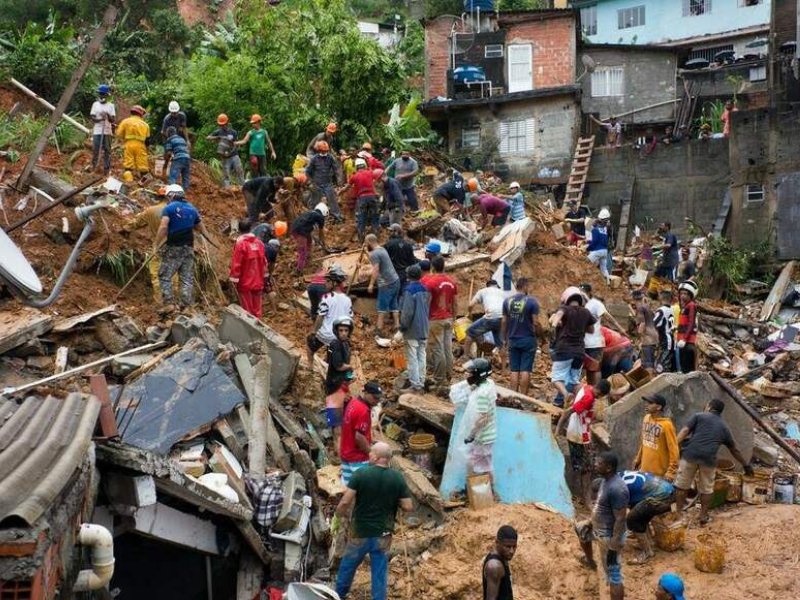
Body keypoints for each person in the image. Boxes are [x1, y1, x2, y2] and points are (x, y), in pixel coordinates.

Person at [334, 441, 412, 600]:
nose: (368, 455)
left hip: (360, 533)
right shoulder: (397, 477)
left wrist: (338, 516)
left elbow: (345, 501)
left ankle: (337, 595)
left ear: (376, 457)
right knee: (379, 572)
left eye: (370, 453)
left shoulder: (361, 474)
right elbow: (408, 506)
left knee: (348, 566)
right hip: (383, 534)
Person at [675, 398, 753, 525]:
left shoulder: (698, 416)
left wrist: (673, 447)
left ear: (709, 407)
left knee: (682, 485)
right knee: (707, 489)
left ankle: (678, 513)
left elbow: (684, 431)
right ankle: (703, 516)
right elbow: (734, 450)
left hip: (690, 455)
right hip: (709, 460)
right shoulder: (724, 427)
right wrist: (746, 465)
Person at [155, 185, 213, 310]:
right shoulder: (192, 208)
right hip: (189, 247)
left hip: (174, 247)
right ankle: (185, 305)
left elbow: (164, 226)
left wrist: (156, 244)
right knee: (186, 277)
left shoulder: (169, 208)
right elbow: (201, 228)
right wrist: (211, 240)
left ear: (171, 195)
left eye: (168, 196)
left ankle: (169, 303)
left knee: (164, 276)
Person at [580, 451, 628, 600]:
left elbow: (620, 519)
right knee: (580, 530)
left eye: (599, 463)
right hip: (599, 529)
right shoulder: (605, 481)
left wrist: (613, 546)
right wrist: (590, 522)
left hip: (609, 536)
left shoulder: (617, 488)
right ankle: (590, 561)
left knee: (613, 574)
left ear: (608, 468)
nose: (595, 464)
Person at [556, 379, 611, 508]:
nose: (599, 398)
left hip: (577, 432)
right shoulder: (589, 398)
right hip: (578, 436)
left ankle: (579, 496)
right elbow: (570, 411)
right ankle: (586, 500)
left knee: (582, 467)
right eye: (600, 396)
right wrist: (559, 428)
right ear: (600, 392)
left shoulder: (587, 387)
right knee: (585, 469)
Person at [549, 287, 597, 408]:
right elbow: (591, 330)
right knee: (574, 381)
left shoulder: (564, 309)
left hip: (564, 350)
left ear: (566, 299)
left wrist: (554, 323)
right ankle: (584, 400)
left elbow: (557, 317)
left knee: (556, 379)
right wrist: (579, 326)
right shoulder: (586, 312)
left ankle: (565, 395)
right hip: (579, 352)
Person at [621, 470, 675, 564]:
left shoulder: (614, 490)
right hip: (666, 489)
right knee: (639, 513)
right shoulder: (618, 476)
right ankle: (648, 542)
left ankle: (647, 552)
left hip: (661, 496)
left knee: (633, 519)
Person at [123, 187, 166, 302]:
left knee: (157, 273)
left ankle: (161, 301)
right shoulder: (178, 210)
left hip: (159, 246)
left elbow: (136, 223)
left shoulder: (151, 210)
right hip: (177, 247)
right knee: (175, 274)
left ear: (158, 197)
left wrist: (125, 228)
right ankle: (177, 301)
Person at [422, 255, 458, 392]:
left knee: (437, 349)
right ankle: (449, 375)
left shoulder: (431, 283)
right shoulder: (452, 282)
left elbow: (427, 302)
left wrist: (424, 318)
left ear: (432, 267)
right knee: (447, 347)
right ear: (444, 266)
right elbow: (455, 303)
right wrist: (453, 318)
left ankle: (439, 379)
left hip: (435, 319)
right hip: (448, 318)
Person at [501, 278, 540, 395]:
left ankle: (513, 396)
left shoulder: (507, 301)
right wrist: (540, 336)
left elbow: (503, 322)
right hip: (528, 339)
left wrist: (504, 338)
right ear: (525, 286)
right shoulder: (532, 302)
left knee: (514, 370)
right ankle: (523, 397)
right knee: (525, 370)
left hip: (512, 339)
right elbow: (536, 323)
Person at [579, 283, 624, 384]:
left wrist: (620, 328)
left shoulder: (596, 304)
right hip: (582, 343)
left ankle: (596, 391)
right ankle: (589, 389)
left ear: (589, 293)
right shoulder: (579, 304)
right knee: (586, 368)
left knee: (595, 368)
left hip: (595, 343)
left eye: (583, 293)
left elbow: (607, 317)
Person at [339, 382, 384, 485]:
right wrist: (371, 452)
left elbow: (353, 429)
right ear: (366, 393)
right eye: (375, 398)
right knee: (364, 488)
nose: (377, 402)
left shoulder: (353, 402)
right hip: (357, 457)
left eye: (378, 399)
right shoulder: (363, 410)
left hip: (346, 452)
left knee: (348, 487)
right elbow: (359, 437)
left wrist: (370, 440)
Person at [461, 358, 498, 481]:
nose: (466, 374)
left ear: (478, 374)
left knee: (477, 466)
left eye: (470, 372)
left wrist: (472, 434)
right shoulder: (489, 384)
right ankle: (486, 489)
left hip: (483, 437)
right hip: (487, 434)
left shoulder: (482, 394)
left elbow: (483, 417)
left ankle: (481, 492)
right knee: (484, 466)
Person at [307, 265, 352, 365]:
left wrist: (314, 331)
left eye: (327, 281)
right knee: (331, 352)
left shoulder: (326, 298)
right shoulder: (347, 299)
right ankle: (328, 362)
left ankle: (310, 367)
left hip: (326, 335)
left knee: (310, 347)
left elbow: (320, 317)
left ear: (334, 283)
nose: (325, 283)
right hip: (338, 336)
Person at [325, 315, 354, 456]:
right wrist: (350, 367)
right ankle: (340, 456)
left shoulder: (345, 344)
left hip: (341, 387)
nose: (343, 333)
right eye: (341, 330)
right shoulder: (335, 344)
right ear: (337, 331)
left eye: (345, 330)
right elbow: (338, 365)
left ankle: (342, 453)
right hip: (334, 388)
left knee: (341, 423)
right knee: (337, 426)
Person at [633, 394, 680, 481]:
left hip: (659, 474)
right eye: (647, 402)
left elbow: (674, 450)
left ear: (658, 407)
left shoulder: (667, 425)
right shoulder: (646, 418)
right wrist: (638, 459)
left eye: (650, 403)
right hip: (644, 469)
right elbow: (644, 441)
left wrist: (671, 472)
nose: (647, 404)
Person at [399, 264, 430, 392]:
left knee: (412, 357)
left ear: (408, 276)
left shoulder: (409, 290)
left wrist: (402, 328)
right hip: (424, 327)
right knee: (422, 355)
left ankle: (415, 385)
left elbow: (407, 313)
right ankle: (421, 381)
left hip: (412, 329)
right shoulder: (425, 289)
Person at [229, 218, 267, 319]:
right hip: (258, 281)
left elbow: (236, 264)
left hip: (245, 283)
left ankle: (250, 331)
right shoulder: (259, 243)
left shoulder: (241, 244)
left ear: (240, 230)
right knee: (257, 310)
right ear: (251, 228)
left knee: (247, 311)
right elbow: (264, 263)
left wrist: (233, 280)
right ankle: (259, 328)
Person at [366, 234, 401, 337]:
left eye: (366, 243)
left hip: (386, 283)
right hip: (395, 280)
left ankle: (379, 329)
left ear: (369, 242)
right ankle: (397, 325)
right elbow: (376, 261)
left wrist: (371, 284)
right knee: (394, 304)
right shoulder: (382, 250)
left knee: (382, 307)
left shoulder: (374, 254)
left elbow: (376, 269)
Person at [465, 279, 507, 360]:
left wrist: (469, 313)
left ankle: (465, 357)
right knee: (501, 344)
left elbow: (470, 305)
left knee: (469, 332)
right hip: (502, 319)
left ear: (487, 286)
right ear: (497, 286)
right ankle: (504, 370)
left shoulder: (483, 291)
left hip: (491, 317)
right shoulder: (502, 293)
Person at [306, 140, 345, 223]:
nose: (325, 153)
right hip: (317, 183)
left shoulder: (330, 158)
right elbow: (308, 171)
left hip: (327, 183)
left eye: (326, 151)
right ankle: (310, 217)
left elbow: (336, 170)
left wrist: (339, 182)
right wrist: (310, 182)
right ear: (319, 150)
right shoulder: (314, 159)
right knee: (314, 201)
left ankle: (337, 216)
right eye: (323, 151)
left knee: (332, 199)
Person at [206, 114, 243, 187]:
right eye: (221, 125)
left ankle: (242, 187)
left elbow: (236, 144)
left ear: (227, 123)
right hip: (224, 157)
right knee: (226, 175)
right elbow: (208, 137)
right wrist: (217, 137)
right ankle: (228, 191)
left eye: (223, 124)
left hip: (234, 155)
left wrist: (231, 152)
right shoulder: (218, 131)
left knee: (239, 171)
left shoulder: (233, 132)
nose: (222, 126)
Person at [345, 159, 379, 239]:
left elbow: (347, 187)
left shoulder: (354, 176)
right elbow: (376, 180)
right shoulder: (370, 173)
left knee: (362, 217)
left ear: (356, 167)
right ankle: (376, 234)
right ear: (364, 165)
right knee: (374, 216)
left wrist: (340, 191)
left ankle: (361, 236)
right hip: (372, 197)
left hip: (362, 198)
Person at [290, 203, 329, 273]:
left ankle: (308, 257)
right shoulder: (320, 217)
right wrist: (324, 245)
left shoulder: (310, 212)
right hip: (300, 231)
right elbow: (321, 233)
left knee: (309, 240)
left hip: (294, 228)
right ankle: (299, 270)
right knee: (302, 251)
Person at [482, 526, 517, 600]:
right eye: (508, 546)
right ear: (497, 542)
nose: (512, 551)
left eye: (514, 546)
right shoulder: (495, 566)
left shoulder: (503, 556)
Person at [384, 223, 417, 301]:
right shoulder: (408, 245)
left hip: (392, 273)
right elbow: (412, 261)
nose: (389, 233)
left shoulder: (388, 244)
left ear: (396, 232)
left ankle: (394, 311)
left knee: (392, 295)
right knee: (402, 294)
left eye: (391, 231)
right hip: (404, 274)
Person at [116, 105, 150, 179]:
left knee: (128, 165)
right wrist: (147, 148)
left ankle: (129, 182)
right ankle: (144, 183)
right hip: (141, 145)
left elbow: (118, 134)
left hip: (128, 144)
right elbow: (147, 140)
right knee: (143, 165)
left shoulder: (125, 122)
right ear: (140, 114)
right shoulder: (145, 125)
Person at [89, 84, 115, 175]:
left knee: (107, 150)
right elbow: (92, 118)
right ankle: (94, 167)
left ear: (107, 95)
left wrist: (107, 115)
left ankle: (106, 169)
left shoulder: (111, 106)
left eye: (103, 94)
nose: (101, 96)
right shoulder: (95, 104)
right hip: (97, 131)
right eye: (100, 94)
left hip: (107, 131)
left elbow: (113, 120)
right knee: (96, 149)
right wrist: (100, 119)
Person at [633, 289, 659, 374]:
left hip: (647, 340)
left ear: (633, 299)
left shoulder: (640, 308)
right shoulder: (648, 307)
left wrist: (639, 339)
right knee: (654, 365)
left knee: (648, 367)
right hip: (655, 339)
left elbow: (642, 325)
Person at [676, 280, 698, 374]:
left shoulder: (691, 305)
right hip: (682, 340)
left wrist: (685, 339)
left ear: (690, 295)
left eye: (685, 294)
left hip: (688, 341)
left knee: (688, 367)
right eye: (681, 293)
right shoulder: (684, 307)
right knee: (683, 365)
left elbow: (691, 322)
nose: (683, 296)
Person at [587, 209, 612, 284]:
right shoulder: (604, 230)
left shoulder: (596, 230)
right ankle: (608, 283)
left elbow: (594, 242)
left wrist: (588, 248)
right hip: (605, 251)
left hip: (598, 250)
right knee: (604, 269)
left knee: (586, 261)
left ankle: (589, 279)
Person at [653, 290, 676, 373]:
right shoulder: (671, 309)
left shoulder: (661, 310)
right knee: (667, 364)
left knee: (661, 367)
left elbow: (654, 324)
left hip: (665, 341)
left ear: (660, 297)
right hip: (671, 340)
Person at [163, 126, 191, 191]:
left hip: (179, 158)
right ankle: (185, 191)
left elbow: (169, 153)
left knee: (173, 176)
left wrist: (165, 164)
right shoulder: (182, 139)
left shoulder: (170, 139)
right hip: (187, 158)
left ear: (168, 133)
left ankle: (171, 191)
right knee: (185, 176)